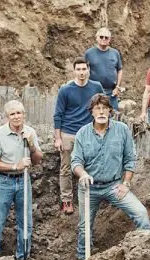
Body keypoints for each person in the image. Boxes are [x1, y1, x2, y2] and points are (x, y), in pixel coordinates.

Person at [71, 94, 150, 260]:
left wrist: (126, 183)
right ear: (91, 112)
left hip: (113, 186)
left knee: (141, 213)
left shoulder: (121, 130)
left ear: (110, 111)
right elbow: (76, 162)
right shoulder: (82, 133)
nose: (101, 112)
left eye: (104, 108)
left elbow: (130, 159)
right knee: (84, 227)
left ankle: (145, 251)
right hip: (89, 188)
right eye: (97, 109)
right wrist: (83, 174)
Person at [0, 100, 43, 260]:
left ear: (24, 115)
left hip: (23, 180)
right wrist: (15, 165)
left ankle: (23, 259)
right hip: (3, 181)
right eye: (12, 114)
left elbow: (38, 159)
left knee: (26, 221)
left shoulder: (30, 132)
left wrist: (31, 144)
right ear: (7, 117)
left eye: (19, 113)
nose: (16, 116)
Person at [54, 57, 104, 215]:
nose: (82, 72)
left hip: (89, 133)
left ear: (88, 70)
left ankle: (92, 197)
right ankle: (67, 200)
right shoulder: (65, 89)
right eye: (79, 69)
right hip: (69, 132)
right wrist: (58, 138)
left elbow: (102, 108)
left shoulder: (96, 87)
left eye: (84, 69)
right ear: (74, 71)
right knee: (66, 168)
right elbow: (58, 115)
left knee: (90, 166)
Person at [84, 27, 123, 111]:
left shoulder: (115, 53)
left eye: (106, 37)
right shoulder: (89, 53)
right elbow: (84, 70)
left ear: (110, 39)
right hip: (94, 92)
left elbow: (119, 69)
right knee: (94, 114)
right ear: (96, 38)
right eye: (101, 37)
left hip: (111, 93)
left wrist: (118, 87)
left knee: (113, 116)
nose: (104, 39)